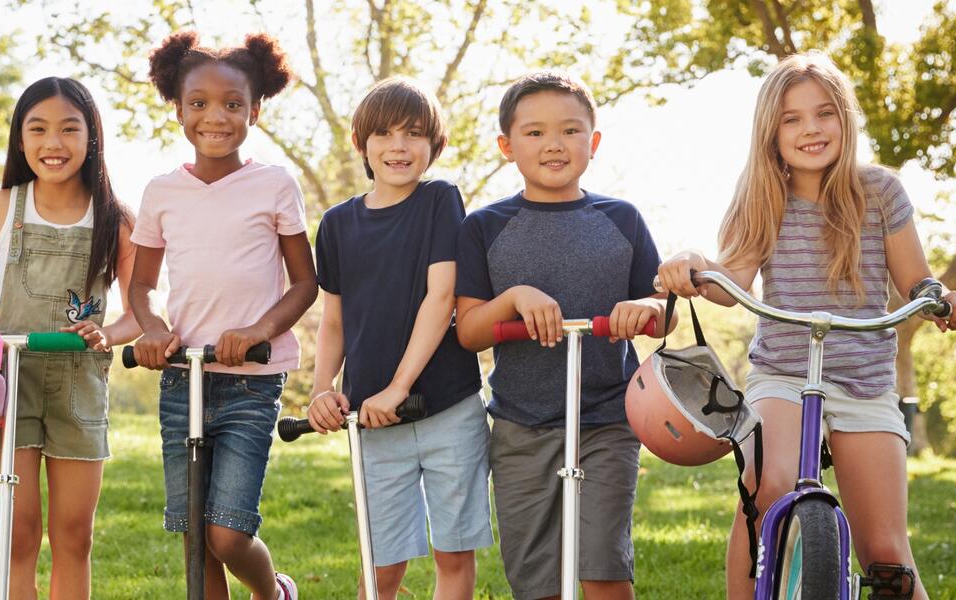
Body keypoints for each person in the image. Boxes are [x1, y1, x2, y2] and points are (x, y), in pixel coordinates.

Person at [655, 52, 956, 600]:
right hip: (782, 373)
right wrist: (692, 262)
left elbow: (916, 282)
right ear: (771, 132)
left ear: (845, 120)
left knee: (886, 551)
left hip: (864, 381)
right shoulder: (764, 197)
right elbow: (730, 281)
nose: (811, 128)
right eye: (792, 118)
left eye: (824, 113)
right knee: (767, 487)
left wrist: (944, 300)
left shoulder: (879, 192)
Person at [454, 72, 665, 600]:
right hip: (521, 424)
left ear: (592, 143)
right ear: (506, 146)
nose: (553, 144)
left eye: (571, 131)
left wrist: (644, 307)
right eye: (534, 133)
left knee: (603, 570)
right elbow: (470, 332)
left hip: (608, 420)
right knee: (537, 580)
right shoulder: (485, 226)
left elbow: (663, 312)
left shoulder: (621, 219)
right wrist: (513, 297)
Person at [128, 30, 316, 600]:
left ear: (255, 110)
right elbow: (140, 284)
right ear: (179, 109)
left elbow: (305, 283)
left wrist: (259, 330)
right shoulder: (162, 192)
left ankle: (271, 592)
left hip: (251, 381)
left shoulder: (275, 184)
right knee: (194, 538)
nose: (217, 116)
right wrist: (154, 329)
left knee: (227, 535)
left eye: (233, 104)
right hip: (184, 378)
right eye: (200, 103)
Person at [0, 76, 139, 600]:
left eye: (69, 129)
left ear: (91, 137)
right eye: (39, 129)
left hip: (80, 387)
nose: (53, 143)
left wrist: (108, 333)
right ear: (20, 138)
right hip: (8, 383)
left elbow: (141, 314)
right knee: (18, 533)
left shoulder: (116, 220)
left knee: (74, 536)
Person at [307, 76, 491, 600]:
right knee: (381, 564)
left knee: (453, 554)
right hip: (372, 418)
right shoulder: (337, 224)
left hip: (448, 408)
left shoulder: (439, 200)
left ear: (436, 145)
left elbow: (441, 299)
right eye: (384, 134)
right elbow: (334, 320)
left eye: (413, 133)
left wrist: (398, 386)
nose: (398, 146)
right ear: (360, 143)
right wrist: (324, 389)